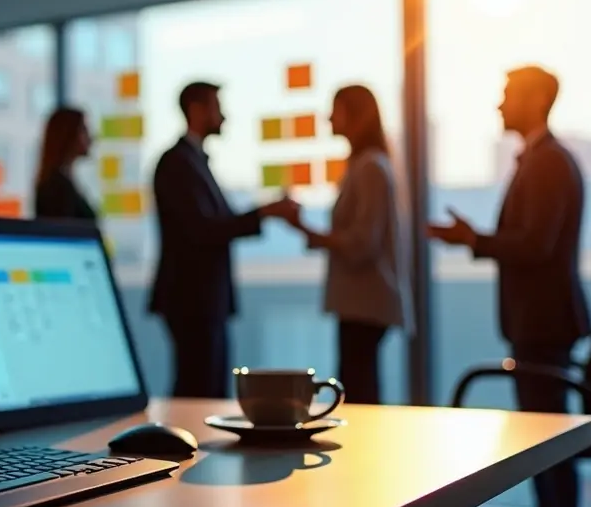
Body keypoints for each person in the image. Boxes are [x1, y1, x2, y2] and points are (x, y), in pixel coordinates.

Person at [429, 66, 589, 507]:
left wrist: (472, 239)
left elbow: (536, 245)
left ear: (537, 98)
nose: (500, 105)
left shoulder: (549, 163)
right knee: (545, 436)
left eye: (508, 95)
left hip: (544, 323)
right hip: (538, 321)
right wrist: (473, 239)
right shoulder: (541, 160)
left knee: (551, 438)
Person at [149, 81, 297, 399]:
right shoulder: (178, 163)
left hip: (202, 300)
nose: (223, 116)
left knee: (205, 386)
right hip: (192, 301)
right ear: (196, 110)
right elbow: (203, 229)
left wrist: (264, 212)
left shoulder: (192, 161)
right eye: (216, 107)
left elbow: (211, 225)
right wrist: (265, 212)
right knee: (198, 390)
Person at [284, 85, 409, 405]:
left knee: (358, 392)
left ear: (355, 115)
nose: (329, 118)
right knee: (358, 385)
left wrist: (308, 231)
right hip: (361, 303)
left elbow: (363, 243)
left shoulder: (369, 167)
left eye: (336, 110)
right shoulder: (365, 165)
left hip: (364, 303)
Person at [33, 107, 96, 221]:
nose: (91, 138)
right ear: (68, 135)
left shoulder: (61, 182)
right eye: (84, 130)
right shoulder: (55, 188)